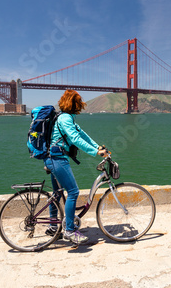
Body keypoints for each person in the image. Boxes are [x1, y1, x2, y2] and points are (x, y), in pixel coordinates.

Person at [43, 89, 108, 244]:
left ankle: (53, 227)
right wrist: (95, 153)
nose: (80, 106)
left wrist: (98, 147)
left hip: (53, 157)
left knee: (57, 193)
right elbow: (75, 139)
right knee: (73, 192)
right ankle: (69, 230)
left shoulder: (67, 118)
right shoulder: (65, 119)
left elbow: (83, 135)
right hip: (57, 159)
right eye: (79, 103)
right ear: (74, 104)